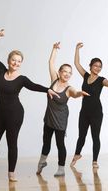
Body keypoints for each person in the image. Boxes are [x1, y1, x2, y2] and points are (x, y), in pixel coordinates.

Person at [0, 29, 59, 182]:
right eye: (14, 60)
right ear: (8, 61)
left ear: (21, 63)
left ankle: (11, 173)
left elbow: (33, 86)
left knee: (11, 143)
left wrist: (48, 90)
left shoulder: (21, 79)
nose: (16, 63)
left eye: (19, 61)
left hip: (15, 115)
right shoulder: (1, 71)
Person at [36, 42, 89, 177]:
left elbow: (75, 93)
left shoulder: (69, 88)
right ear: (59, 72)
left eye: (69, 73)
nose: (67, 74)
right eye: (64, 71)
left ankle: (61, 168)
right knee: (46, 141)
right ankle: (42, 162)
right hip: (49, 118)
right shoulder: (54, 80)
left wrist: (80, 93)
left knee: (60, 144)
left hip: (60, 120)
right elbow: (51, 62)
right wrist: (54, 49)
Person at [70, 42, 108, 168]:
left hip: (96, 113)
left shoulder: (101, 80)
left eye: (100, 66)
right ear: (90, 66)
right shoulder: (85, 76)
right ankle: (77, 155)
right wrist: (77, 49)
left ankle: (95, 161)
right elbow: (77, 64)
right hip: (84, 112)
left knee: (95, 136)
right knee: (81, 136)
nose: (98, 68)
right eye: (95, 65)